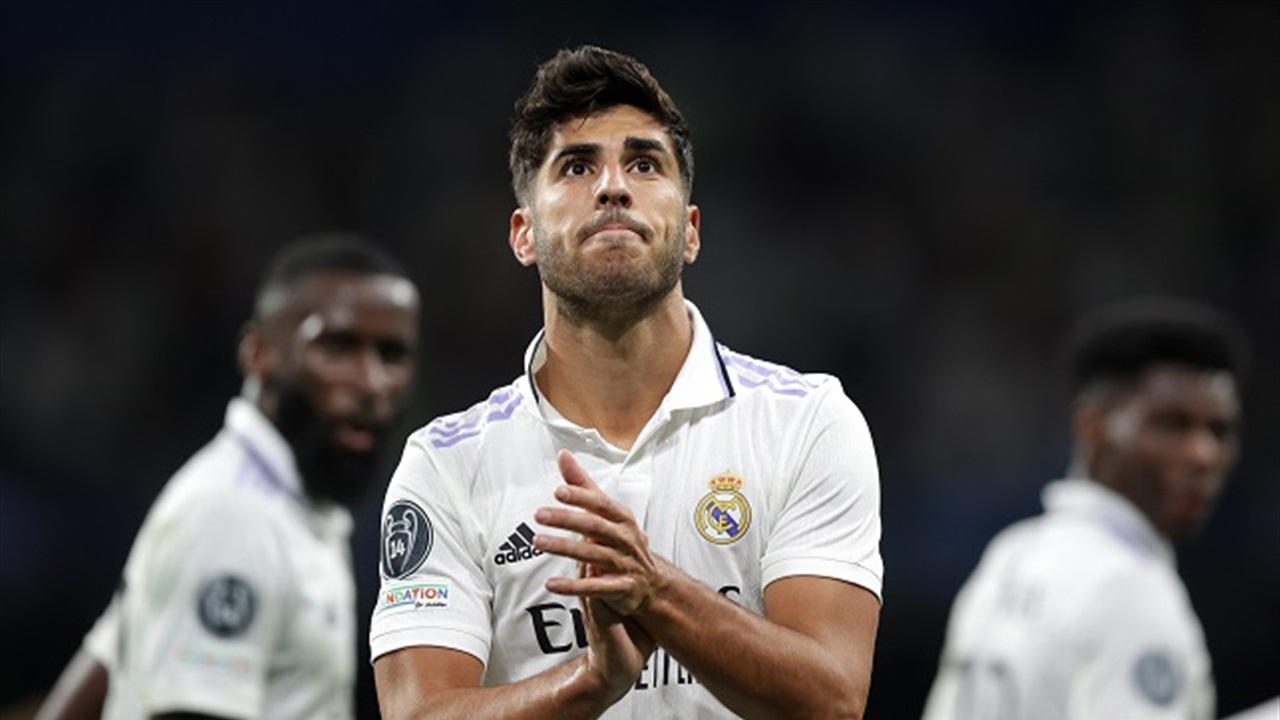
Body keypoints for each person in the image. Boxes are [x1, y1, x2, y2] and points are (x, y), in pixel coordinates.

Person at [370, 45, 883, 720]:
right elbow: (418, 714)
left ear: (690, 231)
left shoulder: (807, 423)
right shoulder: (446, 466)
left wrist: (654, 591)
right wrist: (590, 682)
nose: (613, 186)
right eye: (577, 166)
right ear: (524, 235)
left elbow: (835, 700)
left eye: (644, 163)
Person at [35, 234, 421, 720]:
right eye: (338, 347)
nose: (372, 383)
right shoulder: (233, 515)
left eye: (392, 355)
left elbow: (105, 668)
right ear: (258, 353)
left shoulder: (291, 506)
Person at [921, 297, 1250, 720]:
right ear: (1092, 427)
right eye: (1172, 425)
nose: (1203, 454)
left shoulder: (1010, 553)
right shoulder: (1133, 591)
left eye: (1219, 431)